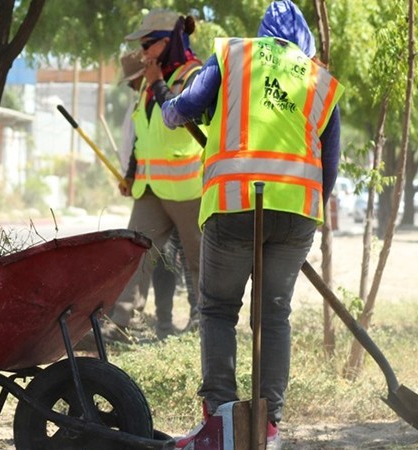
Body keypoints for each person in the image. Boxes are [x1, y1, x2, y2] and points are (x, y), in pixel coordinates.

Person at [160, 1, 344, 447]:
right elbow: (330, 165)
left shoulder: (232, 55)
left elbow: (186, 106)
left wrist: (170, 110)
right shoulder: (318, 77)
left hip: (233, 204)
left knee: (220, 309)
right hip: (297, 210)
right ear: (303, 42)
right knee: (274, 314)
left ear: (263, 34)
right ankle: (269, 426)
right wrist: (299, 213)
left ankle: (221, 420)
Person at [106, 9, 204, 341]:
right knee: (135, 253)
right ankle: (122, 322)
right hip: (150, 188)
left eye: (148, 44)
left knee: (199, 260)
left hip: (188, 187)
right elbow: (142, 135)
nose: (143, 52)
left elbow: (179, 114)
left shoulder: (194, 75)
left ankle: (204, 325)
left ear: (168, 42)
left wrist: (158, 84)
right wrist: (131, 174)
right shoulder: (151, 81)